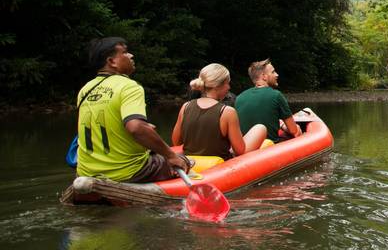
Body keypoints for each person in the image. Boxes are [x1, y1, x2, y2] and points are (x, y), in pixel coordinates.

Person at [76, 37, 189, 182]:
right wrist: (171, 156)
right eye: (125, 52)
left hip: (86, 172)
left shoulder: (85, 90)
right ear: (112, 62)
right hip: (128, 171)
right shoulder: (129, 86)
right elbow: (136, 128)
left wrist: (144, 128)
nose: (131, 56)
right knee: (182, 161)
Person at [171, 63, 267, 157]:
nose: (229, 87)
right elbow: (240, 150)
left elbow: (176, 142)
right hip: (221, 162)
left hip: (191, 161)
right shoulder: (227, 112)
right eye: (227, 83)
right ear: (218, 86)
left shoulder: (186, 106)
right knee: (260, 128)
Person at [235, 58, 301, 143]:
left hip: (247, 148)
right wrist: (284, 126)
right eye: (273, 72)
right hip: (269, 148)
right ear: (264, 76)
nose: (277, 75)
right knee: (298, 130)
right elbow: (293, 130)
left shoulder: (239, 97)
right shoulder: (276, 95)